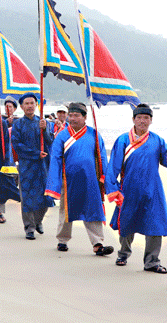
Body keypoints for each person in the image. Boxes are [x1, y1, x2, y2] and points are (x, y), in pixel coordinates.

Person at [105, 103, 167, 271]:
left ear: (151, 121)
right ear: (133, 119)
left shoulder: (157, 140)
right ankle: (123, 254)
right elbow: (113, 167)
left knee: (155, 224)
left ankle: (152, 261)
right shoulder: (123, 140)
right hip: (129, 188)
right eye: (139, 118)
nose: (142, 121)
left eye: (146, 118)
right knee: (127, 222)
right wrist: (113, 188)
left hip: (153, 189)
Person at [45, 102, 113, 256]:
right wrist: (54, 181)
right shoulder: (62, 135)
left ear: (85, 117)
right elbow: (55, 159)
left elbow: (102, 156)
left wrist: (104, 176)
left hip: (91, 180)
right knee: (66, 210)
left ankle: (98, 243)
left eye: (77, 115)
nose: (73, 118)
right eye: (71, 115)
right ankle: (62, 240)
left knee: (93, 210)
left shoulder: (93, 134)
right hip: (68, 180)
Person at [10, 93, 55, 240]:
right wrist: (35, 153)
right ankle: (29, 227)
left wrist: (45, 130)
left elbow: (50, 142)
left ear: (36, 105)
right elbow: (17, 145)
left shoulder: (43, 122)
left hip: (43, 166)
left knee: (45, 195)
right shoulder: (18, 124)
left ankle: (38, 221)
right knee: (27, 197)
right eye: (26, 103)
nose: (30, 106)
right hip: (27, 166)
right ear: (22, 107)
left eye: (32, 103)